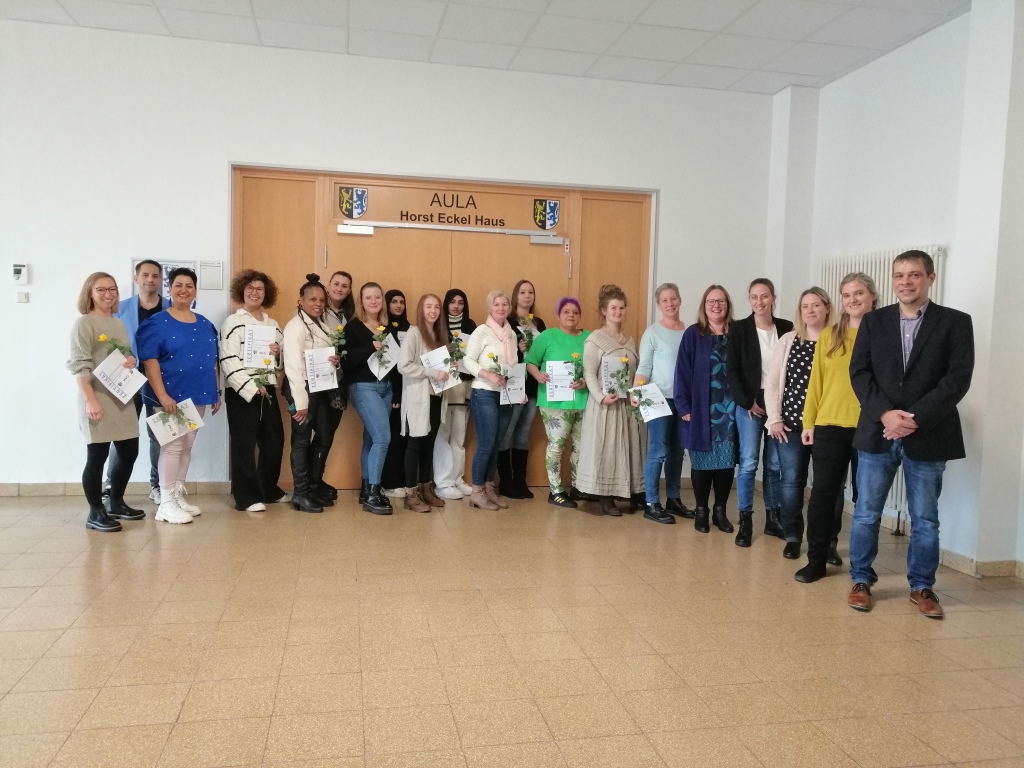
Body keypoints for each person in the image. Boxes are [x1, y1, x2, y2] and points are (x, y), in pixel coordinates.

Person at [847, 251, 974, 618]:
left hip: (929, 433)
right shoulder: (874, 322)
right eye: (899, 275)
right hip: (878, 432)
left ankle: (922, 586)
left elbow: (957, 379)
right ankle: (860, 580)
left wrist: (914, 419)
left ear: (930, 278)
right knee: (866, 513)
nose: (905, 281)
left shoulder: (956, 322)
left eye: (914, 274)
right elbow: (860, 373)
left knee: (925, 519)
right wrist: (886, 414)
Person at [794, 272, 878, 583]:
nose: (853, 300)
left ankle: (862, 568)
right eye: (847, 295)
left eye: (859, 293)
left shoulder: (883, 334)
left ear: (872, 296)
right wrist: (809, 421)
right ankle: (816, 560)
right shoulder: (830, 335)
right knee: (822, 497)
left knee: (865, 501)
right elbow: (816, 382)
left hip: (869, 426)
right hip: (829, 425)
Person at [137, 267, 221, 524]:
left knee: (187, 446)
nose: (184, 290)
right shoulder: (156, 323)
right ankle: (165, 503)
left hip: (198, 392)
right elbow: (150, 361)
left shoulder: (204, 323)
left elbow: (212, 360)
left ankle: (176, 495)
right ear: (170, 289)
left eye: (189, 286)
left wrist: (216, 390)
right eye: (178, 285)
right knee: (172, 447)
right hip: (170, 396)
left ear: (195, 291)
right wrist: (162, 395)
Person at [68, 272, 143, 532]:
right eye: (101, 290)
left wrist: (131, 359)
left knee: (129, 452)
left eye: (112, 289)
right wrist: (90, 400)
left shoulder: (118, 323)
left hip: (121, 397)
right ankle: (95, 512)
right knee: (97, 456)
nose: (108, 294)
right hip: (96, 396)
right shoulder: (84, 324)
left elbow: (124, 354)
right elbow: (80, 365)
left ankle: (116, 502)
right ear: (89, 293)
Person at [765, 287, 832, 560]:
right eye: (805, 306)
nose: (810, 310)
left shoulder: (836, 340)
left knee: (829, 486)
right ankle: (792, 536)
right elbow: (773, 382)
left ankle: (828, 542)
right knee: (791, 482)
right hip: (791, 425)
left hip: (827, 425)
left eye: (816, 305)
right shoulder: (789, 340)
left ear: (827, 308)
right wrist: (774, 418)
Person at [727, 278, 793, 547]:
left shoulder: (787, 327)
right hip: (750, 404)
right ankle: (745, 520)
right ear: (749, 300)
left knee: (774, 465)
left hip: (779, 404)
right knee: (749, 462)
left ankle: (773, 519)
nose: (759, 302)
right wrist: (746, 402)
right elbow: (732, 370)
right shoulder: (739, 329)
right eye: (754, 297)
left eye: (764, 296)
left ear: (773, 298)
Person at [219, 269, 286, 512]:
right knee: (244, 444)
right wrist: (249, 386)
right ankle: (246, 497)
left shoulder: (272, 325)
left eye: (259, 289)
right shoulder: (232, 322)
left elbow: (281, 362)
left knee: (273, 440)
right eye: (250, 288)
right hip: (242, 391)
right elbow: (227, 359)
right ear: (242, 291)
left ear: (266, 293)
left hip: (267, 388)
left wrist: (277, 355)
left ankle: (267, 489)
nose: (254, 293)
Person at [575, 284, 645, 516]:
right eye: (613, 308)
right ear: (604, 311)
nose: (618, 312)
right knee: (607, 448)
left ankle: (630, 492)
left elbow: (635, 373)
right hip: (605, 405)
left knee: (628, 448)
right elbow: (589, 372)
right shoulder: (595, 339)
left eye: (622, 308)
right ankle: (604, 497)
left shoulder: (629, 340)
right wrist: (601, 397)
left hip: (626, 404)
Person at [675, 285, 738, 534]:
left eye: (721, 301)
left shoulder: (738, 333)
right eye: (711, 301)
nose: (716, 305)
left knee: (726, 462)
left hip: (730, 410)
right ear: (704, 305)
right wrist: (683, 405)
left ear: (727, 304)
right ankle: (701, 511)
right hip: (701, 409)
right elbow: (682, 371)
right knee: (701, 462)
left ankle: (720, 512)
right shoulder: (693, 334)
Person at [107, 259, 168, 504]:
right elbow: (107, 341)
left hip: (160, 379)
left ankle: (158, 485)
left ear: (160, 280)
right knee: (122, 433)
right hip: (126, 379)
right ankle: (111, 485)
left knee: (160, 435)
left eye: (155, 276)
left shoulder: (171, 308)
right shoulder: (119, 308)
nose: (150, 280)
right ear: (136, 278)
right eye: (145, 275)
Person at [282, 274, 342, 514]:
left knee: (325, 434)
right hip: (302, 389)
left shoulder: (321, 324)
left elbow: (322, 354)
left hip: (320, 388)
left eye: (321, 300)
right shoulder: (295, 327)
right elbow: (293, 366)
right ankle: (301, 492)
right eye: (312, 299)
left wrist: (334, 360)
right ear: (301, 300)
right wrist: (300, 402)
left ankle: (314, 485)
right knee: (301, 439)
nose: (318, 304)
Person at [635, 283, 692, 524]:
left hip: (683, 400)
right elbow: (644, 366)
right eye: (665, 300)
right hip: (656, 397)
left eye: (673, 299)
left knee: (677, 452)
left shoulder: (689, 332)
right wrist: (637, 391)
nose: (670, 304)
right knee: (658, 450)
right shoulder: (652, 333)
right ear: (659, 305)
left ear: (680, 300)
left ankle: (673, 499)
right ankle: (651, 502)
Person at [525, 297, 589, 508]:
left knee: (581, 447)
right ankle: (556, 491)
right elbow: (530, 362)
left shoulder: (588, 338)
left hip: (582, 400)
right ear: (558, 315)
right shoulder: (547, 336)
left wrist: (584, 381)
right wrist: (538, 375)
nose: (571, 315)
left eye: (575, 312)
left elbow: (594, 369)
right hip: (554, 403)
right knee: (557, 446)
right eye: (566, 312)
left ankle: (579, 487)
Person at [342, 282, 394, 515]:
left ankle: (366, 487)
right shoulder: (353, 327)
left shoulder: (387, 327)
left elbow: (395, 361)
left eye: (377, 297)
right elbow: (346, 362)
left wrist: (396, 391)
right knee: (383, 438)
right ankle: (374, 493)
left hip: (387, 388)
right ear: (361, 302)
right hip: (363, 387)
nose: (373, 301)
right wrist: (371, 347)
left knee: (372, 439)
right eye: (368, 297)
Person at [463, 290, 518, 510]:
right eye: (496, 304)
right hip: (484, 392)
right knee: (486, 443)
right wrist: (488, 375)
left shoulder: (511, 334)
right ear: (489, 307)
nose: (501, 308)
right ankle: (476, 491)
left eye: (505, 304)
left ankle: (488, 487)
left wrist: (519, 390)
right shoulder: (482, 331)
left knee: (497, 444)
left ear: (509, 308)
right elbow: (468, 360)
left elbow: (513, 366)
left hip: (506, 395)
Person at [398, 294, 450, 512]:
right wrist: (432, 372)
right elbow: (403, 365)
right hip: (419, 398)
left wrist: (450, 367)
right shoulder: (414, 332)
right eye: (428, 306)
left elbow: (441, 367)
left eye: (436, 307)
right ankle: (410, 494)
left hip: (436, 397)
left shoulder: (439, 335)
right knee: (415, 444)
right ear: (421, 309)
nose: (433, 311)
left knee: (429, 444)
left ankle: (425, 488)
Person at [498, 279, 547, 499]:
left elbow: (545, 352)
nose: (527, 296)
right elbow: (500, 354)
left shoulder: (539, 323)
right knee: (508, 430)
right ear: (515, 296)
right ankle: (505, 482)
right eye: (523, 292)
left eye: (531, 292)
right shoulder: (507, 321)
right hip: (514, 383)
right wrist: (518, 349)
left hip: (534, 384)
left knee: (524, 432)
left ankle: (520, 480)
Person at [433, 289, 476, 500]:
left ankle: (457, 478)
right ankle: (443, 482)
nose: (456, 306)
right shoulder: (438, 324)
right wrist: (445, 351)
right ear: (446, 304)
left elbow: (475, 356)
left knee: (459, 436)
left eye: (460, 302)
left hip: (464, 386)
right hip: (444, 385)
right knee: (443, 434)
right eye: (452, 302)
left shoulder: (470, 326)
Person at [381, 289, 410, 499]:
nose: (398, 305)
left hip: (411, 391)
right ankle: (389, 482)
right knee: (390, 438)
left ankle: (403, 480)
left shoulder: (412, 329)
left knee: (405, 438)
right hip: (390, 392)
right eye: (394, 302)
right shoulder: (382, 329)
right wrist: (396, 395)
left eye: (401, 302)